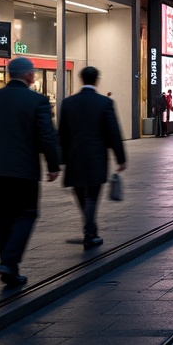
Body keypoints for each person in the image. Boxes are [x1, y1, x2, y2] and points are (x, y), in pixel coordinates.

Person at [0, 56, 60, 286]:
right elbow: (46, 136)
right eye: (33, 73)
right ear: (28, 75)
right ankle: (9, 261)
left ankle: (10, 267)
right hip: (24, 170)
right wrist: (53, 165)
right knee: (27, 214)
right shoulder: (37, 100)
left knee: (4, 217)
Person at [58, 66, 127, 249]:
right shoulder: (104, 103)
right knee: (92, 196)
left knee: (81, 195)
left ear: (81, 79)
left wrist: (61, 159)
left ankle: (91, 229)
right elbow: (113, 132)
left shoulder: (68, 103)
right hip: (96, 157)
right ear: (96, 80)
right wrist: (120, 158)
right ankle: (90, 233)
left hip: (74, 157)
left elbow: (62, 133)